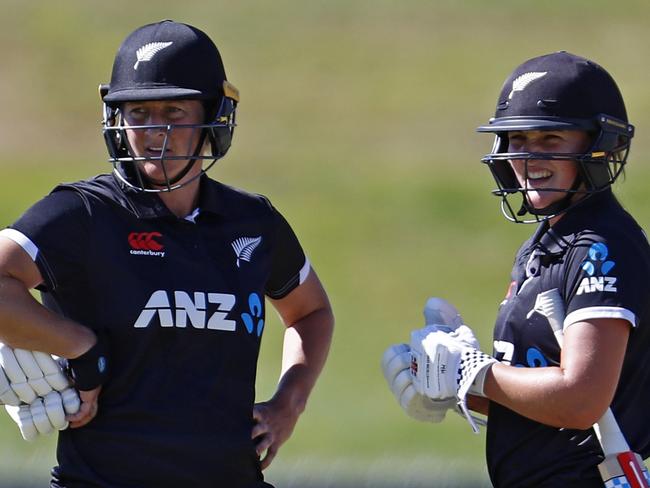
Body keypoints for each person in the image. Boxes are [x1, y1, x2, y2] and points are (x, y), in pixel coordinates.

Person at [0, 20, 333, 488]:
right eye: (138, 113)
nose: (156, 130)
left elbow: (311, 311)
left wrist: (289, 403)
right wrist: (77, 344)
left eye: (175, 112)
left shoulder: (253, 223)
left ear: (214, 115)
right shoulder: (84, 214)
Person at [382, 51, 650, 487]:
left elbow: (581, 400)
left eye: (550, 140)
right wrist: (454, 389)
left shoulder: (603, 245)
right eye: (517, 140)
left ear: (600, 146)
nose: (527, 158)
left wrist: (475, 372)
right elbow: (554, 415)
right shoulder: (543, 245)